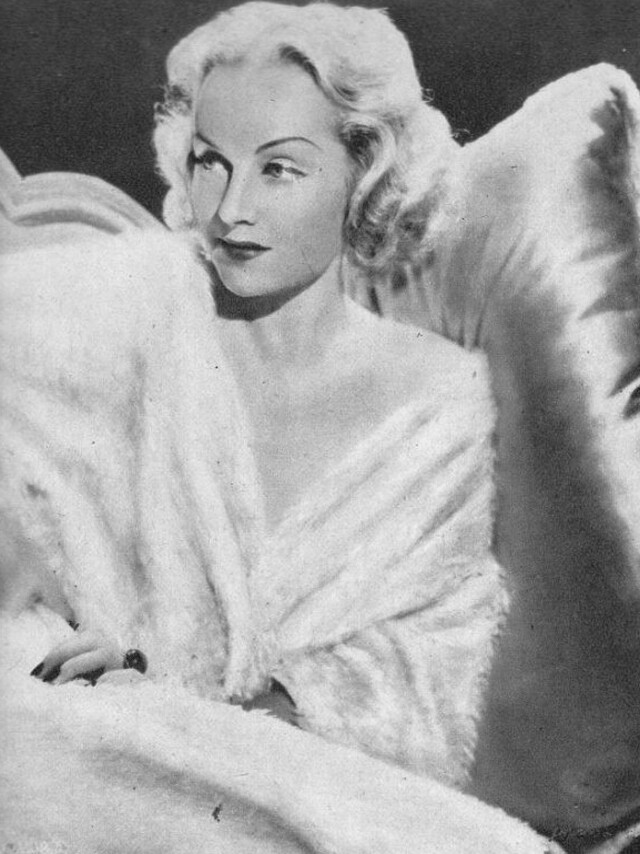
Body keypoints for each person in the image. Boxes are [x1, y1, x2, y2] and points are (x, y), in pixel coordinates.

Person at [0, 3, 558, 851]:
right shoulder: (121, 305)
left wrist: (224, 715)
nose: (231, 209)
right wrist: (56, 622)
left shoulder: (438, 399)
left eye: (279, 170)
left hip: (294, 789)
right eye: (210, 163)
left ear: (363, 172)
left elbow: (428, 668)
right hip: (91, 754)